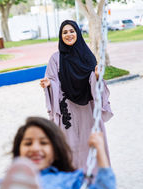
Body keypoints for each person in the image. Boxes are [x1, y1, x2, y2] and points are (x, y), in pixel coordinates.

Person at [40, 20, 113, 171]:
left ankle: (94, 173)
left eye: (71, 31)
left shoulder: (87, 56)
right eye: (65, 32)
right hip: (68, 108)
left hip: (88, 107)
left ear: (78, 33)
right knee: (69, 143)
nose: (69, 35)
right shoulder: (55, 58)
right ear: (61, 36)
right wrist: (49, 85)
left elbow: (94, 80)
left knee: (90, 140)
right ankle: (72, 174)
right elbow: (53, 80)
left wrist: (97, 77)